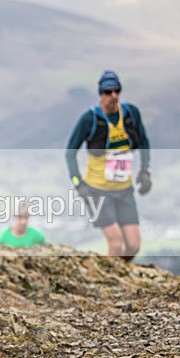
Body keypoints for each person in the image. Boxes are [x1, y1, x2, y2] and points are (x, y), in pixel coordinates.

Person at [65, 71, 151, 261]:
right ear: (101, 94)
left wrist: (145, 170)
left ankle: (119, 276)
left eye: (116, 91)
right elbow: (70, 152)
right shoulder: (90, 119)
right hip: (97, 191)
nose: (113, 96)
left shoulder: (130, 114)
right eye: (107, 92)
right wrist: (79, 183)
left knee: (133, 246)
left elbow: (144, 141)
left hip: (124, 189)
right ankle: (110, 285)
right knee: (115, 243)